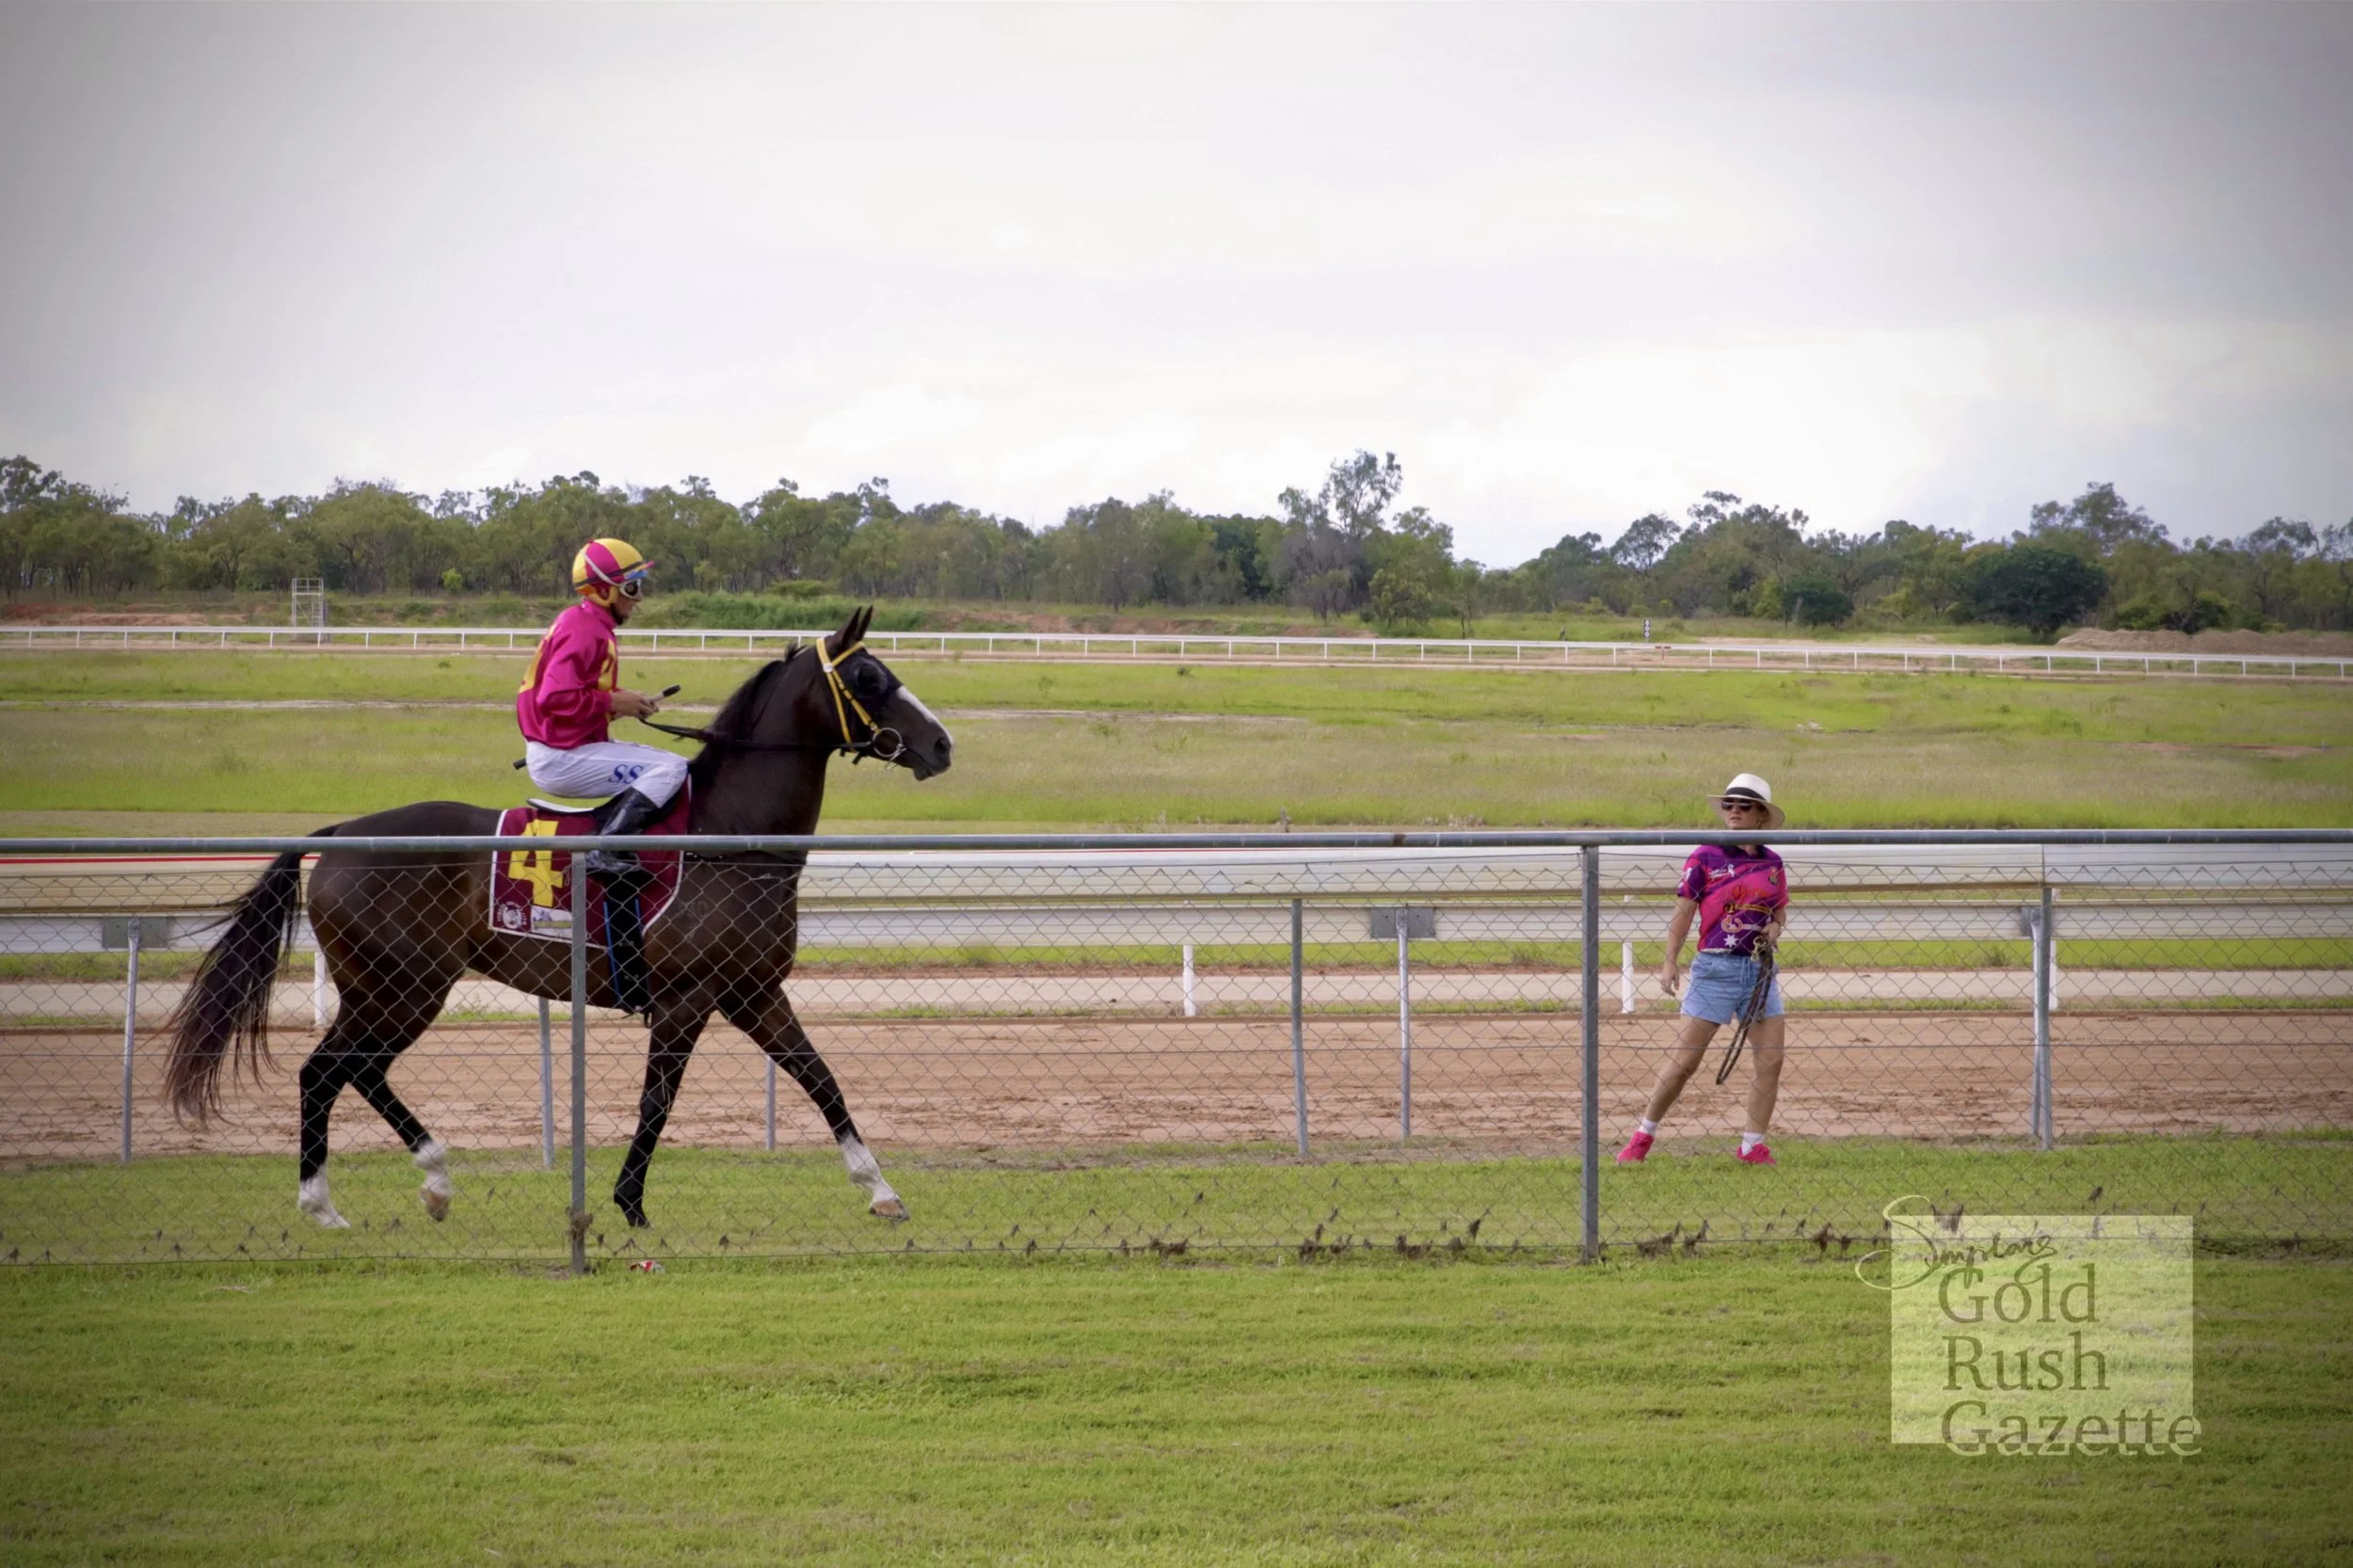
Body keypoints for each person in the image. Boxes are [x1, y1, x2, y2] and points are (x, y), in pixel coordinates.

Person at [1617, 772, 1789, 1167]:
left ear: (1761, 815)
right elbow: (1684, 910)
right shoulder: (1705, 856)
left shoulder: (1772, 862)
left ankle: (1752, 1145)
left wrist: (1775, 928)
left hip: (1758, 972)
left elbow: (1780, 908)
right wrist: (1670, 960)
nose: (1734, 811)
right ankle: (1644, 1134)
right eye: (1729, 805)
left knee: (1771, 1061)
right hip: (1715, 968)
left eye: (1744, 806)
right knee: (1685, 1061)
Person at [517, 537, 684, 877]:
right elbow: (554, 698)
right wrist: (613, 701)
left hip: (568, 746)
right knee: (671, 769)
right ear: (605, 591)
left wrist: (625, 703)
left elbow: (577, 696)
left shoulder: (588, 624)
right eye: (632, 588)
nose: (638, 598)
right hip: (562, 756)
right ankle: (604, 850)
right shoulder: (584, 630)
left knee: (671, 764)